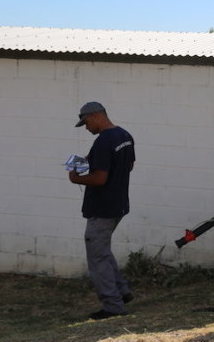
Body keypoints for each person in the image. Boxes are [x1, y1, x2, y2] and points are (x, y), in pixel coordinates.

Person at [69, 101, 136, 320]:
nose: (86, 127)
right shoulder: (125, 136)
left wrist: (75, 177)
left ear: (96, 116)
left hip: (102, 208)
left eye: (86, 122)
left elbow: (99, 178)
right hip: (118, 205)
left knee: (97, 258)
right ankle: (122, 292)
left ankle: (113, 306)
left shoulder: (103, 141)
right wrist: (90, 161)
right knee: (103, 251)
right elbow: (130, 165)